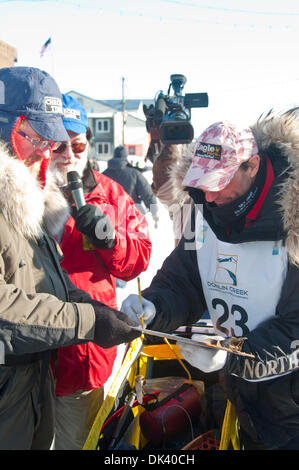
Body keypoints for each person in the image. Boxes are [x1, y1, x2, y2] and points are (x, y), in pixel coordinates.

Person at [121, 113, 299, 450]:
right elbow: (183, 280)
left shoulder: (294, 225)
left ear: (253, 166)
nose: (211, 197)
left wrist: (235, 356)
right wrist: (154, 305)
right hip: (241, 395)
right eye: (203, 184)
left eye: (220, 182)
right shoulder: (204, 209)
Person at [0, 66, 140, 450]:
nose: (52, 152)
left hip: (45, 379)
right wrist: (89, 320)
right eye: (41, 139)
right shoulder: (22, 199)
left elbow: (135, 257)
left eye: (67, 144)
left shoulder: (35, 200)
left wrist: (98, 309)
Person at [48, 94, 152, 449]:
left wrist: (111, 240)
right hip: (30, 358)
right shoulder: (26, 192)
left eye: (77, 145)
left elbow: (139, 259)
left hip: (81, 354)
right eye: (58, 146)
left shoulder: (111, 195)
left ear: (88, 143)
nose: (69, 155)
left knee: (77, 442)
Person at [103, 145, 159, 226]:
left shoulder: (104, 175)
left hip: (110, 219)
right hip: (132, 217)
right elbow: (147, 194)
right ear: (126, 157)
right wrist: (154, 212)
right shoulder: (134, 174)